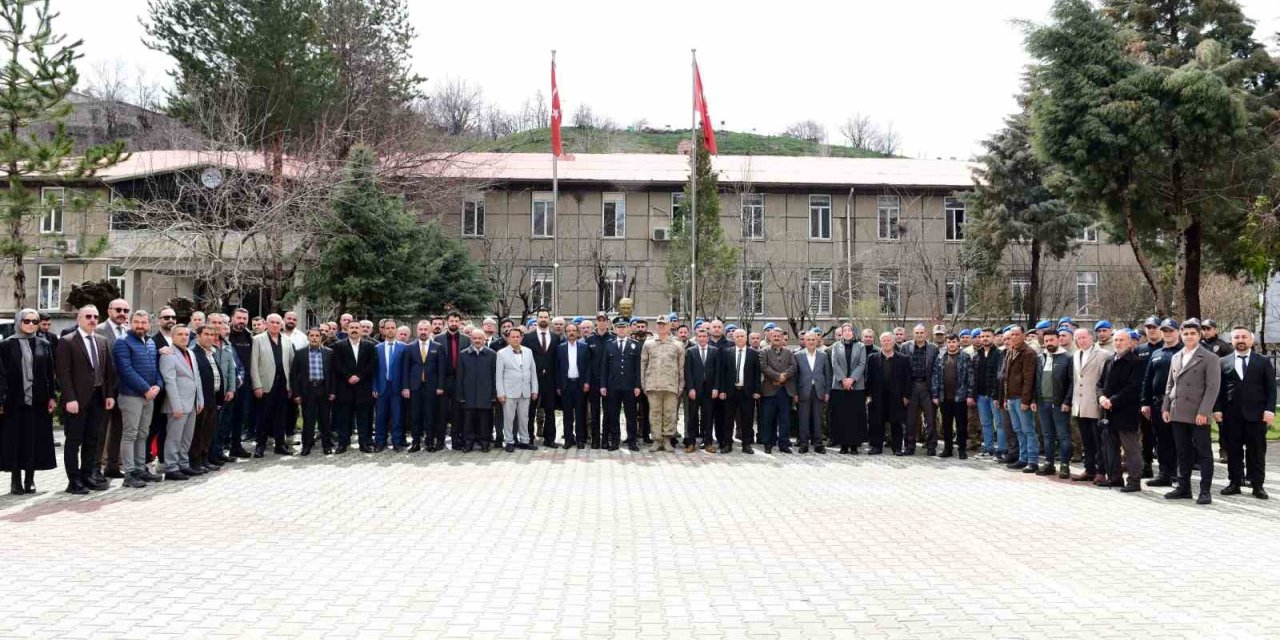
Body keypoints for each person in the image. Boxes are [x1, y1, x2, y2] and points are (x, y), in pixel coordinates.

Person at [55, 305, 118, 494]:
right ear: (79, 319)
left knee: (93, 440)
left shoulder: (102, 341)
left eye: (95, 317)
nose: (92, 319)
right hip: (77, 401)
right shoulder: (67, 341)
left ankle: (87, 475)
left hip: (98, 399)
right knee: (74, 441)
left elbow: (108, 371)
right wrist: (70, 398)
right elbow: (63, 373)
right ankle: (73, 481)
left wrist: (109, 395)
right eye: (88, 316)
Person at [1161, 319, 1220, 504]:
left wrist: (1204, 412)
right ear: (1181, 335)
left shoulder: (1210, 357)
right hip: (1178, 411)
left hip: (1198, 413)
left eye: (1193, 333)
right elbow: (1170, 384)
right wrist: (1165, 407)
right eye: (1185, 333)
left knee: (1203, 453)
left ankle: (1205, 491)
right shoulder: (1176, 356)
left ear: (1199, 335)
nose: (1189, 336)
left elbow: (1212, 388)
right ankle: (1183, 488)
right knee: (1182, 452)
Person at [1, 308, 57, 494]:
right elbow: (1, 375)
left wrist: (51, 396)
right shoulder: (7, 345)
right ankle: (15, 480)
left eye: (35, 321)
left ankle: (30, 479)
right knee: (15, 439)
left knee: (33, 439)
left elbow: (49, 373)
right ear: (19, 321)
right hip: (13, 401)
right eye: (27, 321)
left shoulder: (43, 344)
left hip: (38, 401)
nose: (31, 324)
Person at [1214, 326, 1273, 500]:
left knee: (1256, 452)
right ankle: (1235, 482)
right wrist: (1217, 409)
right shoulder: (1222, 362)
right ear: (1231, 341)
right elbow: (1218, 389)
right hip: (1231, 416)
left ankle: (1257, 485)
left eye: (1244, 337)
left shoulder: (1263, 361)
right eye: (1237, 337)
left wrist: (1269, 409)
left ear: (1251, 340)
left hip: (1257, 415)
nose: (1240, 340)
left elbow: (1271, 389)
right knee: (1233, 451)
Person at [112, 310, 164, 488]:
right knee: (130, 434)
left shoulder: (150, 342)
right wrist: (145, 389)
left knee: (143, 434)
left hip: (149, 396)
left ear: (149, 324)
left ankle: (140, 468)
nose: (140, 326)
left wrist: (158, 386)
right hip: (131, 396)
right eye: (137, 322)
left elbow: (156, 368)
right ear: (130, 322)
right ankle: (129, 473)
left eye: (143, 322)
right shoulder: (122, 342)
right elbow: (125, 370)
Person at [1098, 329, 1145, 492]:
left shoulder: (1136, 362)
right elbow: (1100, 383)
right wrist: (1101, 397)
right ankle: (1115, 478)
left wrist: (1112, 401)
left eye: (1122, 340)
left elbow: (1133, 388)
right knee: (1111, 447)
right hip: (1108, 412)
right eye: (1116, 340)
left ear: (1130, 342)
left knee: (1130, 448)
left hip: (1127, 412)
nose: (1118, 343)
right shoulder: (1109, 360)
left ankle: (1134, 481)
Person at [158, 325, 204, 481]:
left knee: (186, 438)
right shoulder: (168, 355)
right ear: (172, 336)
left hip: (192, 403)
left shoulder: (190, 353)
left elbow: (196, 377)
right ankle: (171, 467)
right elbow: (170, 381)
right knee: (174, 438)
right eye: (180, 334)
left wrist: (200, 399)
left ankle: (183, 464)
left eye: (186, 334)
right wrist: (176, 405)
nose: (184, 337)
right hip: (177, 404)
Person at [1142, 318, 1182, 487]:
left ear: (1178, 332)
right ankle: (1164, 474)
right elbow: (1148, 379)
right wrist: (1145, 402)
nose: (1167, 333)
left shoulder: (1184, 351)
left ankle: (1179, 474)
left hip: (1178, 403)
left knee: (1179, 440)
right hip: (1158, 404)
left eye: (1171, 331)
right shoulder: (1156, 353)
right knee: (1162, 440)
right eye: (1165, 331)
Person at [96, 297, 131, 479]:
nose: (122, 314)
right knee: (101, 429)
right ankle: (95, 468)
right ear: (109, 311)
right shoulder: (99, 330)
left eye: (125, 311)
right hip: (104, 388)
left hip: (123, 388)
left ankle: (112, 465)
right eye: (118, 310)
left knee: (118, 428)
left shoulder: (128, 331)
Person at [250, 314, 294, 457]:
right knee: (263, 416)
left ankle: (280, 445)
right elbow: (253, 364)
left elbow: (291, 364)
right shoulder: (257, 340)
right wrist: (257, 385)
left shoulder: (287, 340)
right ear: (266, 324)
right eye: (272, 322)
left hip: (282, 384)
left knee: (281, 416)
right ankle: (260, 445)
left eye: (277, 323)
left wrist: (290, 386)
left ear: (281, 325)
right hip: (265, 384)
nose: (275, 325)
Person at [1070, 327, 1111, 483]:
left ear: (1091, 337)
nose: (1081, 341)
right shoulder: (1076, 354)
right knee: (1086, 440)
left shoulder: (1103, 354)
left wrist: (1103, 398)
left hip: (1095, 402)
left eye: (1083, 337)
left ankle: (1101, 471)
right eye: (1078, 338)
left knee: (1099, 440)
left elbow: (1105, 380)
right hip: (1080, 404)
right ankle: (1089, 469)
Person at [1031, 330, 1073, 478]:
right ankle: (1049, 464)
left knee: (1063, 435)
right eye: (1046, 340)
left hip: (1060, 404)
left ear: (1058, 340)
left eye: (1052, 340)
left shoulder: (1068, 358)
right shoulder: (1040, 357)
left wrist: (1067, 401)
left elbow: (1072, 383)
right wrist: (1034, 400)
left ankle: (1065, 465)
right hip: (1043, 403)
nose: (1049, 343)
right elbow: (1036, 380)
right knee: (1047, 435)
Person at [640, 315, 684, 453]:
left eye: (664, 324)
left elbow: (681, 367)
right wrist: (644, 384)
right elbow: (643, 365)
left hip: (671, 385)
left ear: (669, 326)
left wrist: (681, 385)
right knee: (655, 414)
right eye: (659, 324)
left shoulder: (677, 344)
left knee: (670, 414)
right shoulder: (648, 343)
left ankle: (667, 440)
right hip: (653, 384)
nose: (661, 326)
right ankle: (656, 440)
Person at [289, 327, 335, 456]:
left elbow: (333, 374)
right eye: (312, 336)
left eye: (317, 336)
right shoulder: (300, 353)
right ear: (308, 337)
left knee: (325, 419)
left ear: (321, 337)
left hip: (323, 389)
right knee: (308, 419)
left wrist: (332, 391)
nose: (314, 338)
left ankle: (326, 445)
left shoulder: (329, 352)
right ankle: (307, 445)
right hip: (307, 390)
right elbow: (294, 374)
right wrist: (296, 393)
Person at [401, 320, 445, 452]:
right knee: (415, 416)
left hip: (431, 387)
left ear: (430, 331)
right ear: (417, 331)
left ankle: (429, 442)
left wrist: (440, 386)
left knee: (430, 416)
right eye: (421, 329)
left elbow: (441, 369)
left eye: (426, 329)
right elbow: (405, 369)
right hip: (415, 387)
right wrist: (405, 387)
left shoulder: (438, 347)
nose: (423, 332)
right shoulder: (409, 347)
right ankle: (415, 443)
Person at [333, 320, 377, 453]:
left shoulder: (369, 346)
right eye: (351, 327)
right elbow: (337, 364)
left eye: (357, 328)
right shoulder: (338, 345)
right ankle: (343, 444)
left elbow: (372, 363)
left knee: (363, 418)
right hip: (345, 387)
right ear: (347, 329)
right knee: (344, 417)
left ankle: (364, 444)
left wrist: (359, 376)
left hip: (363, 387)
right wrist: (348, 376)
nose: (354, 330)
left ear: (361, 330)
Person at [600, 317, 642, 451]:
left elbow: (638, 368)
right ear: (614, 329)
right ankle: (615, 441)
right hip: (613, 386)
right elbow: (604, 367)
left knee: (631, 415)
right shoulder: (609, 345)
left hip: (630, 386)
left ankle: (632, 442)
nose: (621, 330)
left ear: (628, 329)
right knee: (613, 415)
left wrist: (637, 385)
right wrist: (603, 385)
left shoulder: (635, 345)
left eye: (624, 327)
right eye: (619, 327)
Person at [189, 325, 226, 473]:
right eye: (206, 334)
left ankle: (205, 459)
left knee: (208, 431)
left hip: (213, 398)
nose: (210, 337)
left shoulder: (212, 353)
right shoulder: (194, 353)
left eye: (212, 334)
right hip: (201, 399)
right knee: (198, 432)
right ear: (198, 336)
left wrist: (219, 399)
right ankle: (196, 462)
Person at [867, 332, 910, 455]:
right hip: (877, 396)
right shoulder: (872, 358)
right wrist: (868, 395)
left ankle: (897, 448)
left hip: (896, 396)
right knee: (877, 421)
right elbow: (868, 378)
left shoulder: (903, 359)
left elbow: (907, 379)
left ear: (893, 342)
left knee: (896, 422)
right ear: (880, 342)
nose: (886, 342)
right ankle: (876, 447)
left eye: (889, 340)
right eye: (884, 340)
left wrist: (906, 395)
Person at [496, 326, 538, 452]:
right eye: (512, 337)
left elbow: (533, 371)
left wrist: (535, 389)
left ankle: (524, 440)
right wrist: (500, 393)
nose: (515, 339)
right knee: (509, 418)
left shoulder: (528, 351)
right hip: (509, 391)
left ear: (522, 338)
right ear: (508, 338)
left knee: (524, 417)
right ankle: (509, 441)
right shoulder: (501, 353)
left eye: (517, 337)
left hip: (525, 390)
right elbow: (499, 375)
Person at [522, 309, 560, 447]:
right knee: (530, 410)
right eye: (541, 317)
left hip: (550, 379)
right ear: (537, 319)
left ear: (549, 319)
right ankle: (528, 438)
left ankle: (550, 439)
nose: (543, 319)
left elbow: (557, 359)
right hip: (533, 379)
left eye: (546, 317)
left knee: (550, 410)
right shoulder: (528, 338)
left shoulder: (555, 338)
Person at [720, 328, 761, 454]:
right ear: (734, 338)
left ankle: (746, 444)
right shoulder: (727, 352)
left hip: (747, 392)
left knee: (747, 419)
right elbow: (723, 373)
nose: (739, 338)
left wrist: (757, 390)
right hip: (730, 391)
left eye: (742, 336)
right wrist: (722, 390)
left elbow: (757, 374)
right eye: (737, 336)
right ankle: (728, 444)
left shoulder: (753, 353)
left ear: (746, 338)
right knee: (728, 419)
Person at [456, 328, 496, 452]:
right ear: (471, 339)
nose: (477, 340)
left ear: (484, 339)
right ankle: (468, 443)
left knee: (485, 421)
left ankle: (485, 443)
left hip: (485, 393)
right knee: (468, 421)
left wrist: (494, 394)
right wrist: (460, 394)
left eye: (480, 338)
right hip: (468, 394)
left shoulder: (492, 354)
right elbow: (459, 376)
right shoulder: (463, 354)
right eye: (474, 338)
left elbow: (494, 376)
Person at [931, 333, 971, 458]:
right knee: (946, 425)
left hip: (960, 397)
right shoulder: (940, 357)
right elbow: (935, 376)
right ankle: (947, 449)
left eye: (954, 342)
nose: (951, 344)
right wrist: (935, 395)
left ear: (958, 343)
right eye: (949, 342)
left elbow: (970, 377)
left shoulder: (965, 357)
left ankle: (962, 450)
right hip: (944, 397)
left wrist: (970, 395)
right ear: (946, 343)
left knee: (961, 425)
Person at [829, 323, 867, 454]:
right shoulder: (836, 346)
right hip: (840, 386)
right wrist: (844, 380)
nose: (846, 332)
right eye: (844, 330)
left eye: (849, 330)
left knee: (855, 416)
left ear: (853, 332)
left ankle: (854, 445)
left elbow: (862, 364)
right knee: (841, 416)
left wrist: (852, 379)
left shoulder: (861, 346)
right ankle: (843, 445)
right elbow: (834, 363)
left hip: (856, 386)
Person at [683, 325, 722, 453]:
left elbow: (718, 372)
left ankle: (708, 443)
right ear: (696, 337)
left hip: (709, 390)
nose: (702, 338)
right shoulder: (690, 351)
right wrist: (690, 388)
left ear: (708, 337)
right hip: (695, 389)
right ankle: (691, 443)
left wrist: (716, 388)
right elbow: (688, 372)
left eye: (704, 336)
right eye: (700, 336)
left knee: (708, 417)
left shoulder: (714, 351)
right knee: (692, 417)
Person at [901, 325, 939, 456]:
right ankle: (909, 446)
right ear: (913, 333)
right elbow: (902, 369)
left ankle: (931, 446)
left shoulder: (933, 348)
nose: (919, 335)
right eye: (917, 332)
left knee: (930, 419)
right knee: (910, 420)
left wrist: (935, 392)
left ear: (926, 333)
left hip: (927, 387)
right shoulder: (906, 347)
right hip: (911, 387)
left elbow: (936, 371)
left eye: (921, 332)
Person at [759, 328, 797, 454]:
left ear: (782, 338)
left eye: (778, 336)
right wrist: (777, 377)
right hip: (769, 390)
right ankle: (768, 443)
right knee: (768, 419)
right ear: (770, 337)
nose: (776, 338)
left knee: (785, 419)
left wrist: (784, 376)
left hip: (785, 390)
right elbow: (764, 367)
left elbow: (793, 366)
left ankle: (784, 444)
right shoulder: (763, 351)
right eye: (774, 336)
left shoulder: (789, 352)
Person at [555, 323, 591, 449]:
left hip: (579, 385)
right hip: (566, 385)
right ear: (565, 333)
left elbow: (588, 366)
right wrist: (558, 386)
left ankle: (580, 439)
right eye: (569, 331)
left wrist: (587, 382)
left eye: (573, 330)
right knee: (567, 415)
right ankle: (568, 439)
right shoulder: (560, 348)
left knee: (580, 414)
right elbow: (557, 368)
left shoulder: (584, 347)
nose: (571, 333)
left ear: (577, 332)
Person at [794, 330, 831, 454]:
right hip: (803, 391)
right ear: (804, 341)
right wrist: (795, 393)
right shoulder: (797, 355)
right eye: (808, 340)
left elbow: (827, 375)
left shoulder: (823, 355)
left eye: (813, 340)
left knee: (818, 419)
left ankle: (818, 444)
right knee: (803, 419)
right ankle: (804, 444)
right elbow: (795, 376)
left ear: (817, 341)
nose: (811, 342)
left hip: (819, 391)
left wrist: (827, 392)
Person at [434, 311, 466, 450]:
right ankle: (440, 441)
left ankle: (455, 441)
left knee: (457, 413)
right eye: (451, 321)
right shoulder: (437, 339)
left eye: (456, 321)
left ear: (460, 322)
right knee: (441, 412)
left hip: (459, 381)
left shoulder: (466, 339)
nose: (454, 323)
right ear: (447, 322)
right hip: (443, 380)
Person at [373, 322, 406, 452]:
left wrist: (405, 387)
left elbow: (406, 369)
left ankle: (397, 442)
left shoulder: (404, 347)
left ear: (396, 330)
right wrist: (374, 387)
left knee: (397, 417)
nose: (390, 330)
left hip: (397, 388)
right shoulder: (377, 348)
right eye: (388, 328)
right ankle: (380, 442)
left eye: (393, 328)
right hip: (382, 387)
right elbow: (374, 370)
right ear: (383, 330)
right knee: (380, 417)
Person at [581, 319, 606, 449]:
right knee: (594, 412)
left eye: (604, 320)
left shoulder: (612, 338)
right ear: (597, 323)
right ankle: (595, 439)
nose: (602, 323)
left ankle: (606, 439)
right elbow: (586, 363)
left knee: (609, 412)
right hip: (594, 381)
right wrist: (587, 381)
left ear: (607, 323)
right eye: (599, 321)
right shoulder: (589, 340)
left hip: (608, 381)